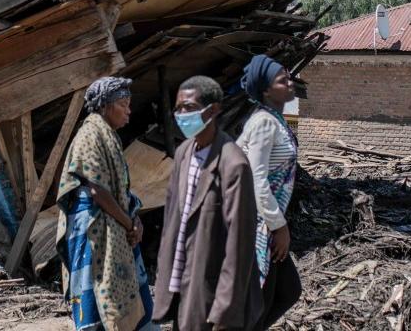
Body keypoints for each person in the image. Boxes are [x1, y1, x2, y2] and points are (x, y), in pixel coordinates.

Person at [153, 76, 262, 331]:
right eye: (178, 108)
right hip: (182, 283)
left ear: (213, 111)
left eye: (188, 108)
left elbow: (240, 245)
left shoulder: (233, 164)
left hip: (212, 290)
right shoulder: (183, 153)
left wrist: (225, 310)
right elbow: (171, 223)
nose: (181, 115)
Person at [55, 76, 155, 331]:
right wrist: (129, 223)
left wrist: (135, 221)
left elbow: (119, 190)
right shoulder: (90, 134)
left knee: (131, 301)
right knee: (97, 300)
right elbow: (96, 190)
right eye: (123, 104)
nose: (129, 111)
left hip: (116, 227)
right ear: (105, 105)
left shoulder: (109, 136)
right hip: (95, 233)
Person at [236, 55, 303, 328]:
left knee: (287, 292)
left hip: (266, 222)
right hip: (258, 226)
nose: (290, 82)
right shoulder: (263, 122)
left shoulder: (276, 120)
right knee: (262, 301)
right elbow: (257, 179)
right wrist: (279, 227)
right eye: (282, 79)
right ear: (265, 90)